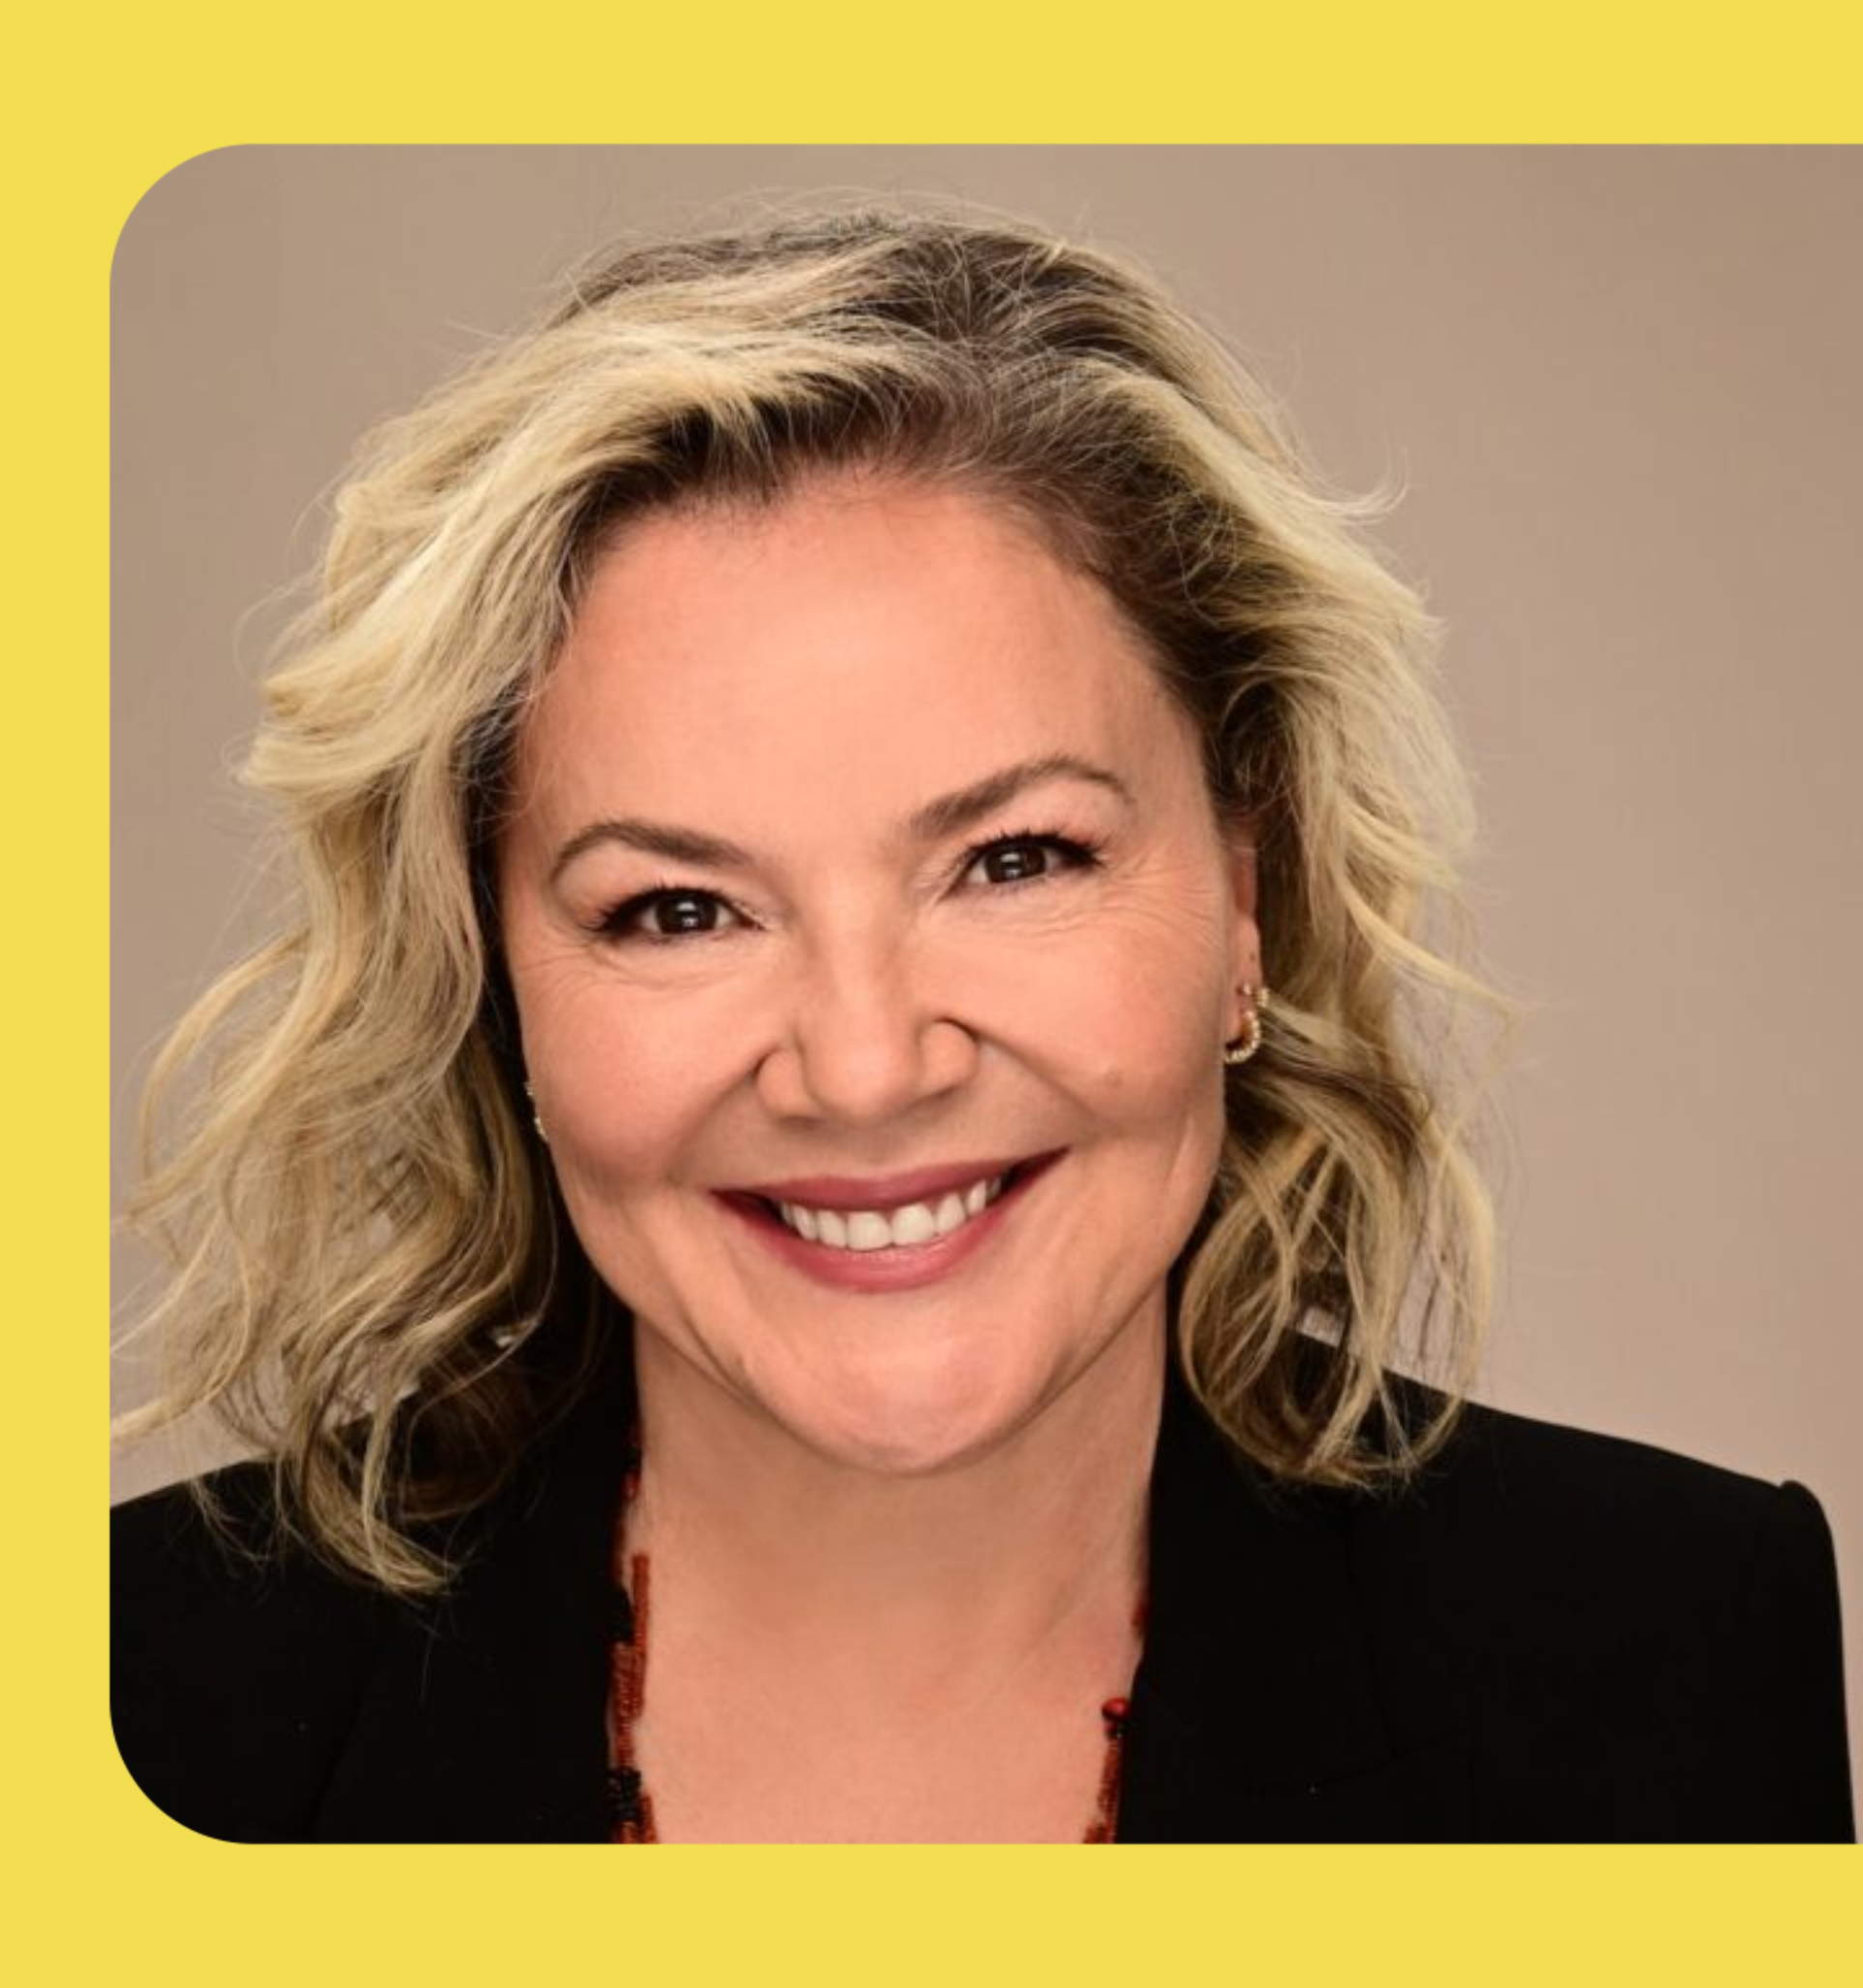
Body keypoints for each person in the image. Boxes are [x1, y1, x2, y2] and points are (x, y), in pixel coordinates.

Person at [111, 200, 1853, 1842]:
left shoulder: (1673, 1667)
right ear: (493, 986)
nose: (866, 1070)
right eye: (679, 909)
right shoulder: (127, 1700)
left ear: (1250, 892)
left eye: (1013, 859)